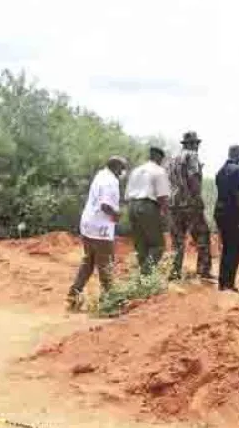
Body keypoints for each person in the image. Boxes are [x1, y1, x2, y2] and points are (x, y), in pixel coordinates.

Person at [68, 156, 127, 309]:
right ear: (116, 167)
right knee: (106, 265)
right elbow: (105, 205)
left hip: (88, 225)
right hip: (100, 228)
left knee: (88, 262)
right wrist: (117, 214)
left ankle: (73, 295)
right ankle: (109, 302)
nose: (123, 172)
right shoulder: (111, 181)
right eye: (122, 169)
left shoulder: (100, 175)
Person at [166, 131, 213, 281]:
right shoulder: (192, 156)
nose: (197, 147)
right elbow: (193, 177)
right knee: (202, 235)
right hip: (189, 203)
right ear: (193, 144)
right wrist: (197, 197)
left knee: (177, 240)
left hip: (174, 204)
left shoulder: (172, 159)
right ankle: (203, 270)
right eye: (196, 144)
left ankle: (174, 272)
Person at [125, 146, 170, 275]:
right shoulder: (159, 171)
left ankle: (142, 277)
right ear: (158, 157)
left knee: (141, 246)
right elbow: (162, 196)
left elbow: (127, 194)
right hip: (148, 206)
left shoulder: (136, 170)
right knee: (158, 246)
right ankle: (145, 275)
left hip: (132, 206)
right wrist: (165, 215)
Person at [214, 145, 239, 292]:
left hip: (220, 211)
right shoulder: (238, 170)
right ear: (238, 155)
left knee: (227, 247)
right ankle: (229, 282)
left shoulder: (220, 171)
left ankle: (223, 282)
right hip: (233, 213)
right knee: (236, 248)